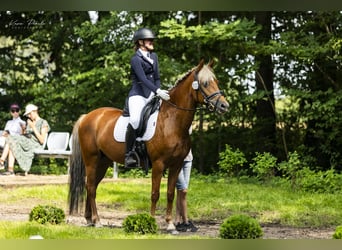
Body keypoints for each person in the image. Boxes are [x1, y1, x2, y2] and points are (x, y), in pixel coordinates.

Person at [124, 27, 170, 168]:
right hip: (137, 95)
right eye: (149, 40)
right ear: (140, 42)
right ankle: (129, 154)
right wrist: (157, 90)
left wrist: (158, 91)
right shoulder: (135, 59)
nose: (151, 42)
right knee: (136, 120)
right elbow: (143, 79)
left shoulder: (154, 57)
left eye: (151, 40)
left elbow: (156, 77)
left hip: (152, 94)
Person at [0, 104, 50, 176]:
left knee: (12, 140)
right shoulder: (29, 122)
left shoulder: (43, 122)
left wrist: (33, 127)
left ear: (34, 111)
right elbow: (24, 135)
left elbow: (42, 140)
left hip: (35, 144)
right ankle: (10, 170)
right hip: (26, 141)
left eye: (29, 114)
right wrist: (23, 129)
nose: (28, 116)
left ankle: (2, 161)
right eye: (27, 115)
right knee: (11, 141)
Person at [174, 128, 198, 232]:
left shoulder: (188, 119)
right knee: (183, 190)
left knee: (181, 192)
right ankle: (186, 221)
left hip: (188, 159)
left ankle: (177, 221)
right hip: (176, 161)